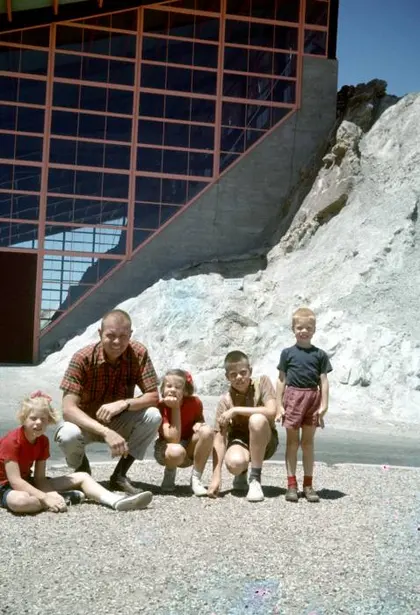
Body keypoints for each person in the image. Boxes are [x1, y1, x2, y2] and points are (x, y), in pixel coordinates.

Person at [55, 309, 161, 495]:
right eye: (111, 336)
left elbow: (153, 396)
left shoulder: (138, 353)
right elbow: (68, 409)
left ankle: (120, 475)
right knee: (67, 434)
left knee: (153, 416)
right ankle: (82, 472)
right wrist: (106, 432)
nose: (117, 342)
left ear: (130, 334)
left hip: (119, 421)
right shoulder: (82, 358)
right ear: (100, 333)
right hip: (86, 423)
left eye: (123, 336)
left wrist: (123, 403)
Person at [0, 391, 153, 514]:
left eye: (43, 419)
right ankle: (65, 498)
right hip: (5, 486)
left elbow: (39, 478)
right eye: (33, 418)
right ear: (23, 419)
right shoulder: (12, 441)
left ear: (49, 421)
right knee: (21, 502)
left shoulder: (42, 441)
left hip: (28, 481)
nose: (38, 423)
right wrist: (46, 497)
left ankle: (115, 500)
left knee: (83, 476)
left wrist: (50, 494)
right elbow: (15, 481)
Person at [276, 307, 332, 503]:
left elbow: (323, 381)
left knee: (307, 444)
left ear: (314, 329)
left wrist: (324, 404)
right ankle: (291, 485)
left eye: (308, 327)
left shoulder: (320, 355)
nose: (304, 331)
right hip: (292, 398)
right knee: (292, 443)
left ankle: (308, 485)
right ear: (293, 329)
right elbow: (281, 379)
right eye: (300, 327)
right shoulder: (287, 353)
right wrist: (279, 405)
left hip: (312, 399)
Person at [208, 351, 278, 502]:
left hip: (266, 441)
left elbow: (272, 411)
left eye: (243, 372)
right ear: (227, 377)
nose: (239, 377)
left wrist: (236, 410)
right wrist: (216, 476)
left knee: (257, 419)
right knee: (234, 463)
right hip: (240, 441)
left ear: (250, 371)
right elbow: (219, 439)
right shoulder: (225, 401)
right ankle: (241, 472)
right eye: (233, 375)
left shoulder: (263, 383)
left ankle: (255, 479)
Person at [154, 369, 214, 496]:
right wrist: (175, 407)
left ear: (185, 391)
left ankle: (196, 479)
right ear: (162, 389)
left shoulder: (195, 403)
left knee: (207, 431)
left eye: (178, 387)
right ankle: (169, 474)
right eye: (169, 386)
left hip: (188, 447)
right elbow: (173, 439)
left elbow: (199, 419)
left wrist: (199, 423)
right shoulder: (161, 407)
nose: (172, 390)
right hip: (166, 450)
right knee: (176, 450)